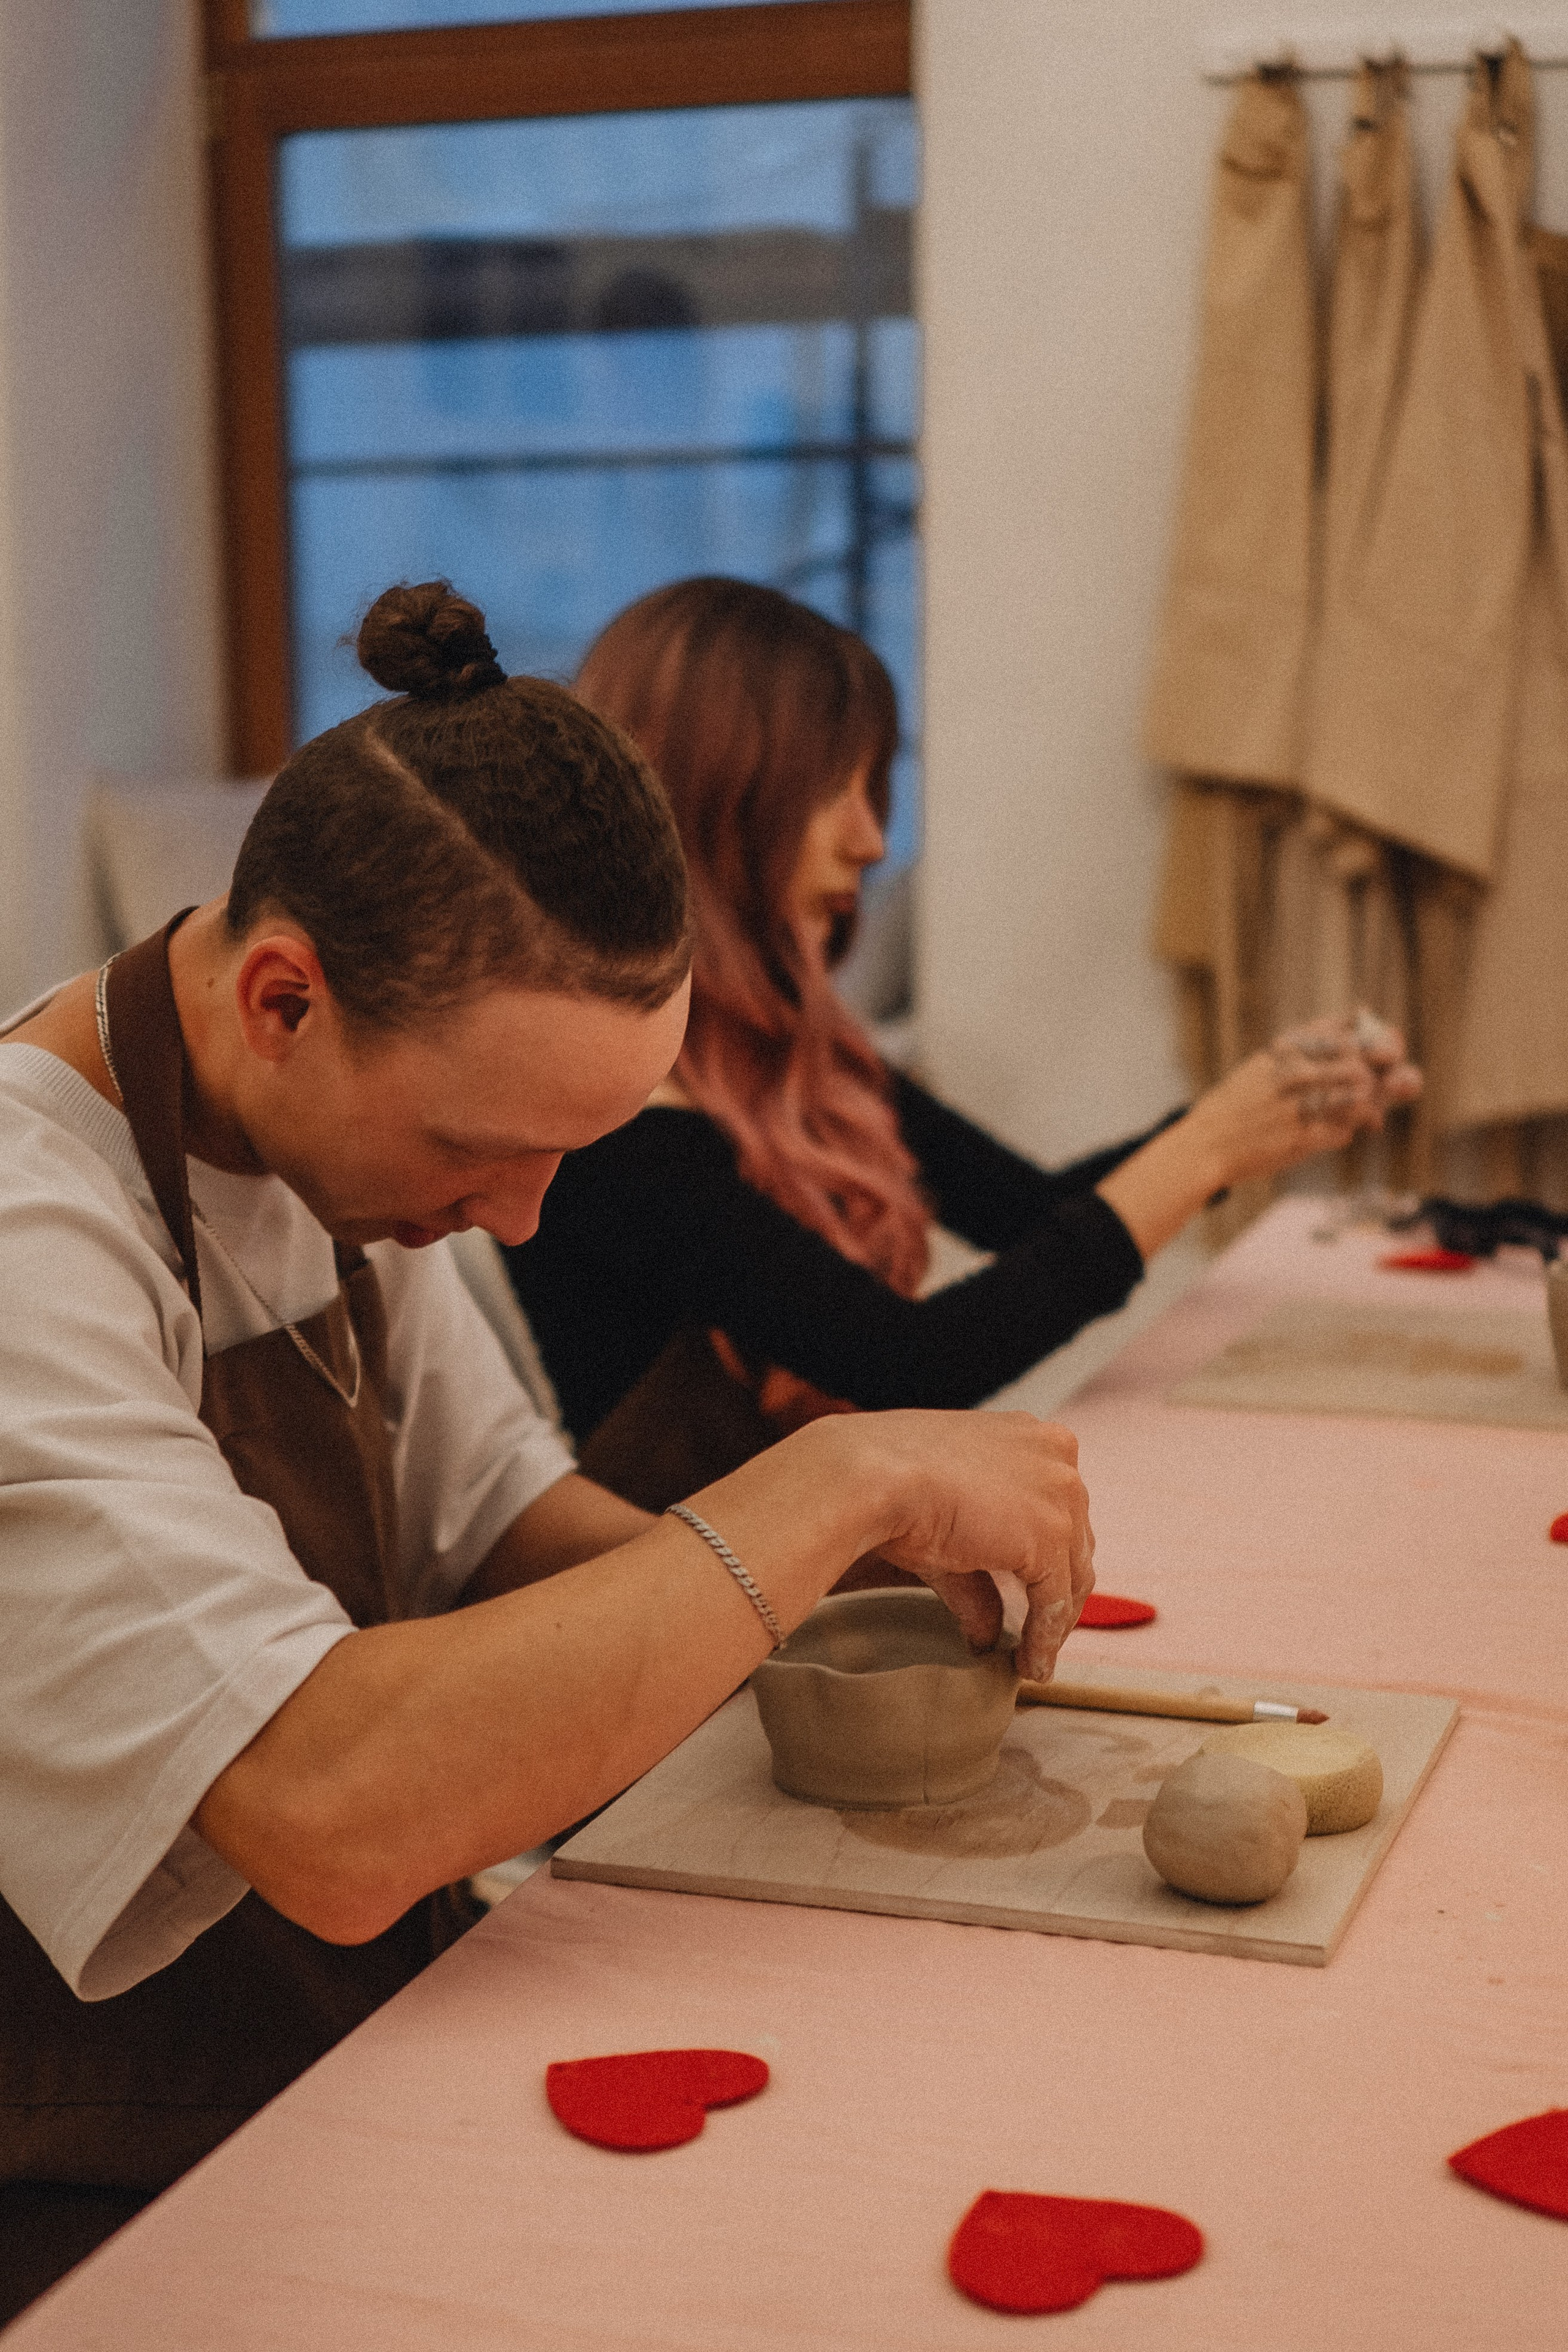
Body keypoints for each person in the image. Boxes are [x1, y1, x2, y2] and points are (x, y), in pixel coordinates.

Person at [0, 582, 1093, 2311]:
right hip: (92, 2172)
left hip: (352, 2061)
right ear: (284, 997)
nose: (519, 1218)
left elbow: (503, 1520)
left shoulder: (309, 1135)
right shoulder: (25, 1237)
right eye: (483, 1149)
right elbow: (332, 1811)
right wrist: (839, 1478)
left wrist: (831, 1575)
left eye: (570, 1154)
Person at [503, 576, 1422, 1508]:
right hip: (695, 1622)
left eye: (876, 788)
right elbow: (909, 1366)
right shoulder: (614, 1127)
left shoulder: (810, 1055)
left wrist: (1262, 1114)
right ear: (714, 803)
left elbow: (1035, 1214)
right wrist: (1214, 1141)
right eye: (835, 790)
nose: (871, 840)